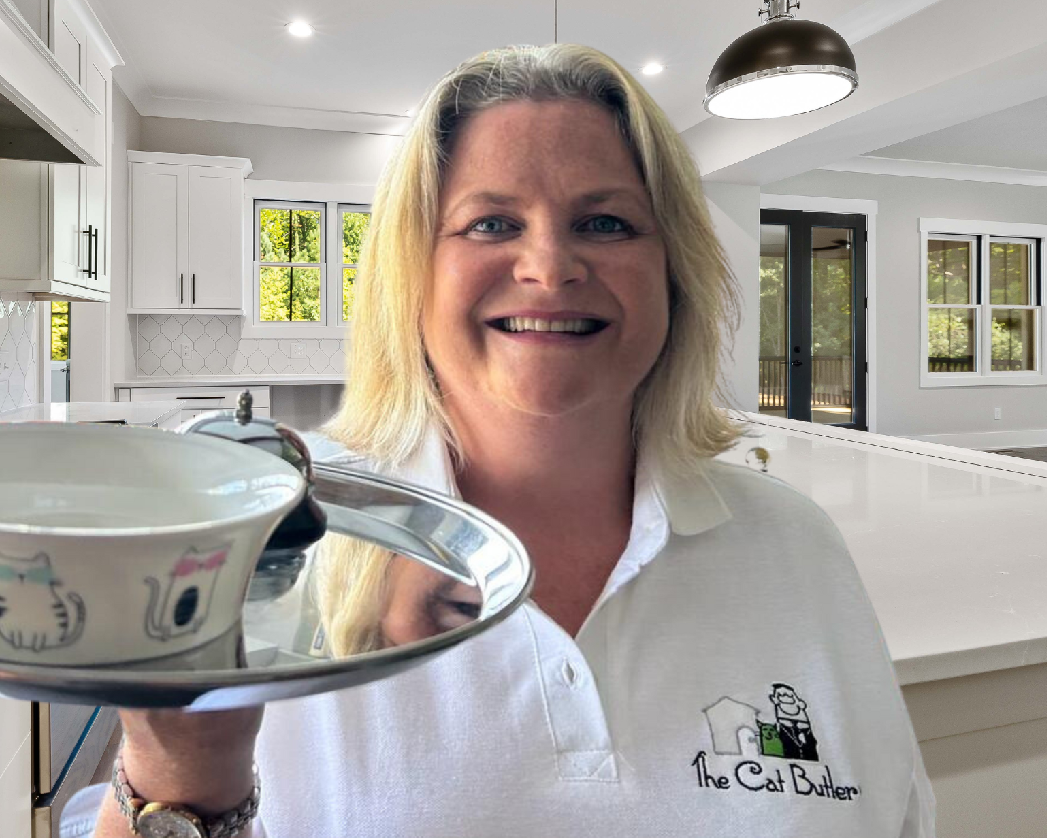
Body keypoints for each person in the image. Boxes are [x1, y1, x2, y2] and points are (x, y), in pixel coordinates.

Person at [75, 44, 934, 837]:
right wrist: (179, 772)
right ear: (412, 273)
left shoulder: (796, 548)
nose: (549, 267)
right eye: (490, 223)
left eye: (607, 223)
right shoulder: (289, 548)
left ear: (674, 272)